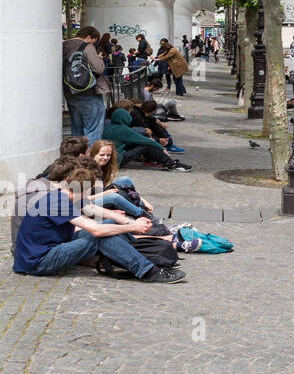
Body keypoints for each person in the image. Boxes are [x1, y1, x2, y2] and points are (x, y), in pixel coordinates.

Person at [11, 157, 184, 282]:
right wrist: (132, 227)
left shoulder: (62, 196)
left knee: (107, 225)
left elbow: (93, 212)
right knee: (97, 237)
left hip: (50, 248)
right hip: (37, 262)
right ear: (85, 189)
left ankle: (145, 256)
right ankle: (148, 272)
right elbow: (95, 230)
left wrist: (130, 223)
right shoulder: (57, 202)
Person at [62, 26, 109, 145]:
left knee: (77, 130)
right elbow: (98, 68)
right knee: (93, 129)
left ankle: (77, 157)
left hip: (70, 91)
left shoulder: (63, 46)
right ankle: (89, 161)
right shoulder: (86, 46)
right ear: (88, 37)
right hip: (88, 92)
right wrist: (99, 59)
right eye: (94, 41)